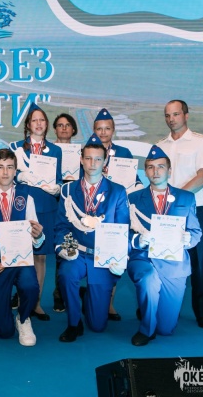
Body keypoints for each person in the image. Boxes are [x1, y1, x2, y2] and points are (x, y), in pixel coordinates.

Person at [56, 134, 130, 342]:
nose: (92, 163)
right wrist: (65, 248)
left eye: (98, 159)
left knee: (98, 326)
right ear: (81, 160)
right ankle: (73, 323)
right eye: (88, 158)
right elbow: (62, 225)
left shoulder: (117, 191)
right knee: (66, 274)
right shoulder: (68, 190)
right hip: (78, 251)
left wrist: (120, 257)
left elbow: (122, 228)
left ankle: (87, 295)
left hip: (102, 256)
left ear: (105, 162)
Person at [127, 146, 201, 346]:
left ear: (169, 170)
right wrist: (137, 240)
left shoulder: (186, 198)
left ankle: (149, 308)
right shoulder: (133, 199)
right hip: (144, 258)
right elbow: (124, 233)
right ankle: (146, 329)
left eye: (161, 167)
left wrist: (189, 239)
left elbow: (196, 232)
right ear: (145, 171)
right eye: (150, 167)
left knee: (166, 329)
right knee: (148, 280)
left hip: (173, 262)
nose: (156, 171)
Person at [0, 149, 45, 346]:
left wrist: (38, 236)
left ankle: (23, 318)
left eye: (9, 167)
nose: (5, 172)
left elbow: (37, 238)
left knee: (31, 286)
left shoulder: (26, 198)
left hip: (21, 261)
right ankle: (8, 320)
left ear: (15, 171)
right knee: (4, 332)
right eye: (0, 167)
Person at [157, 99, 203, 329]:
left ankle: (202, 313)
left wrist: (177, 197)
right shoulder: (160, 146)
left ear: (186, 115)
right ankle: (159, 308)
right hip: (165, 213)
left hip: (192, 211)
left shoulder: (201, 142)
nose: (171, 119)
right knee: (163, 261)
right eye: (167, 115)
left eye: (176, 114)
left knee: (198, 265)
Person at [10, 103, 62, 321]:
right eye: (34, 120)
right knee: (22, 255)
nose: (38, 124)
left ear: (47, 124)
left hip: (47, 207)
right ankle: (23, 298)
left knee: (40, 257)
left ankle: (36, 302)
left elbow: (59, 178)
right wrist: (20, 175)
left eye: (42, 120)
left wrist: (57, 187)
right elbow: (7, 173)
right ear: (28, 125)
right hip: (23, 207)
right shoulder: (16, 148)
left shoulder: (56, 150)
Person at [92, 108, 143, 321]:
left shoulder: (124, 153)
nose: (103, 132)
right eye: (99, 129)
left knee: (112, 255)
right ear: (94, 130)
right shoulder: (87, 152)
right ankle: (94, 298)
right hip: (91, 213)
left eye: (107, 128)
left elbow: (135, 181)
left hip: (115, 214)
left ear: (113, 130)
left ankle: (109, 303)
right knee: (91, 258)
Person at [51, 113, 80, 313]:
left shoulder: (81, 153)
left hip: (74, 205)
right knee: (51, 248)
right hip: (52, 202)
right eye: (60, 125)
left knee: (68, 245)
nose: (63, 128)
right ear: (55, 129)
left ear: (73, 130)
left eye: (67, 125)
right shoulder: (48, 152)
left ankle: (62, 293)